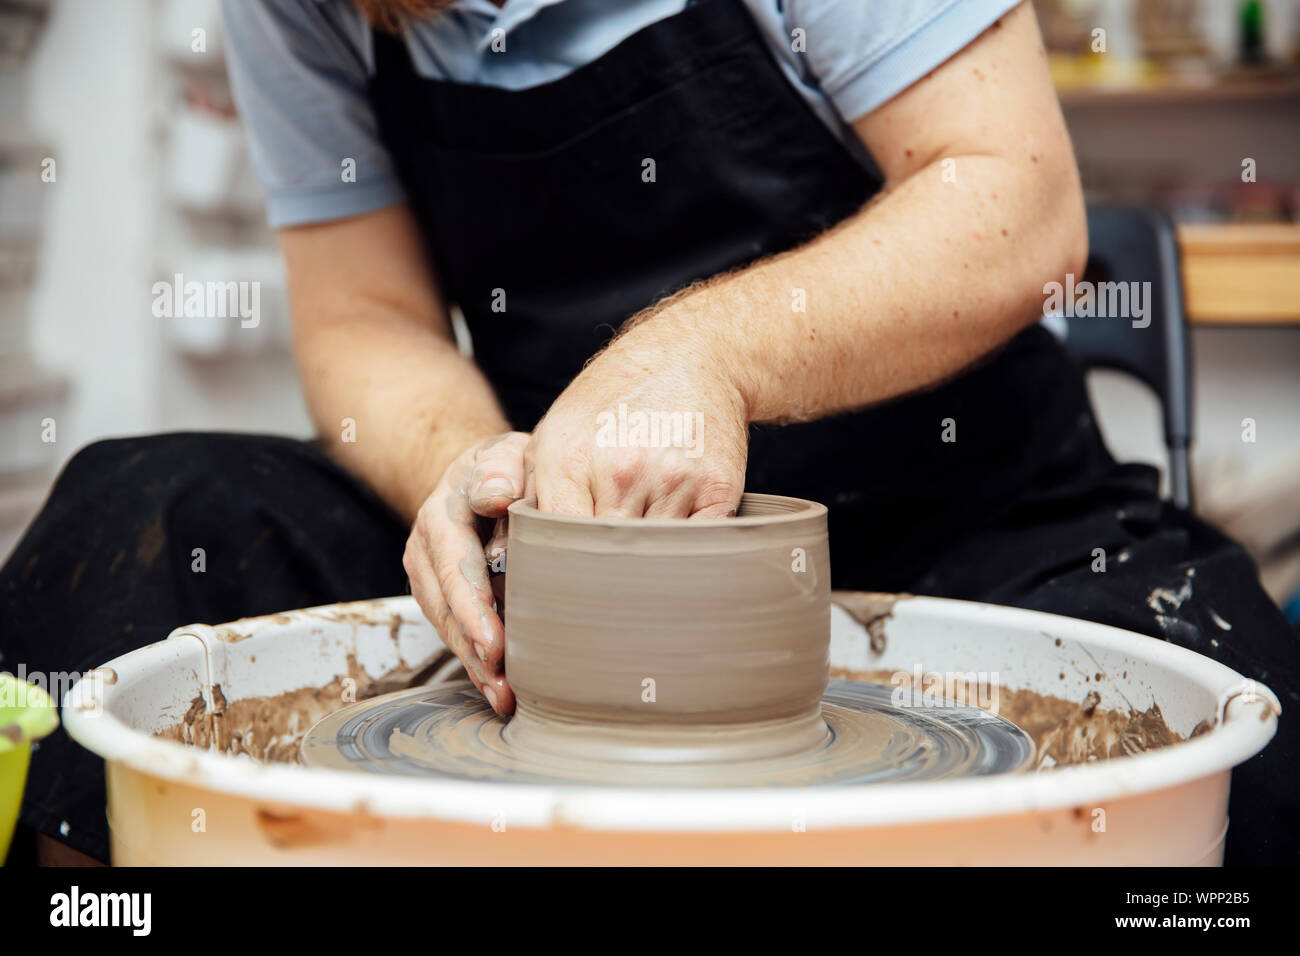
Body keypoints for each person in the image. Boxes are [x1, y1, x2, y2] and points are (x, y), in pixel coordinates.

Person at [3, 0, 1294, 865]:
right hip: (558, 572)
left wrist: (706, 355)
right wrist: (467, 463)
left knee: (1244, 746)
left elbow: (1020, 204)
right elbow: (365, 318)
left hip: (972, 523)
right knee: (143, 515)